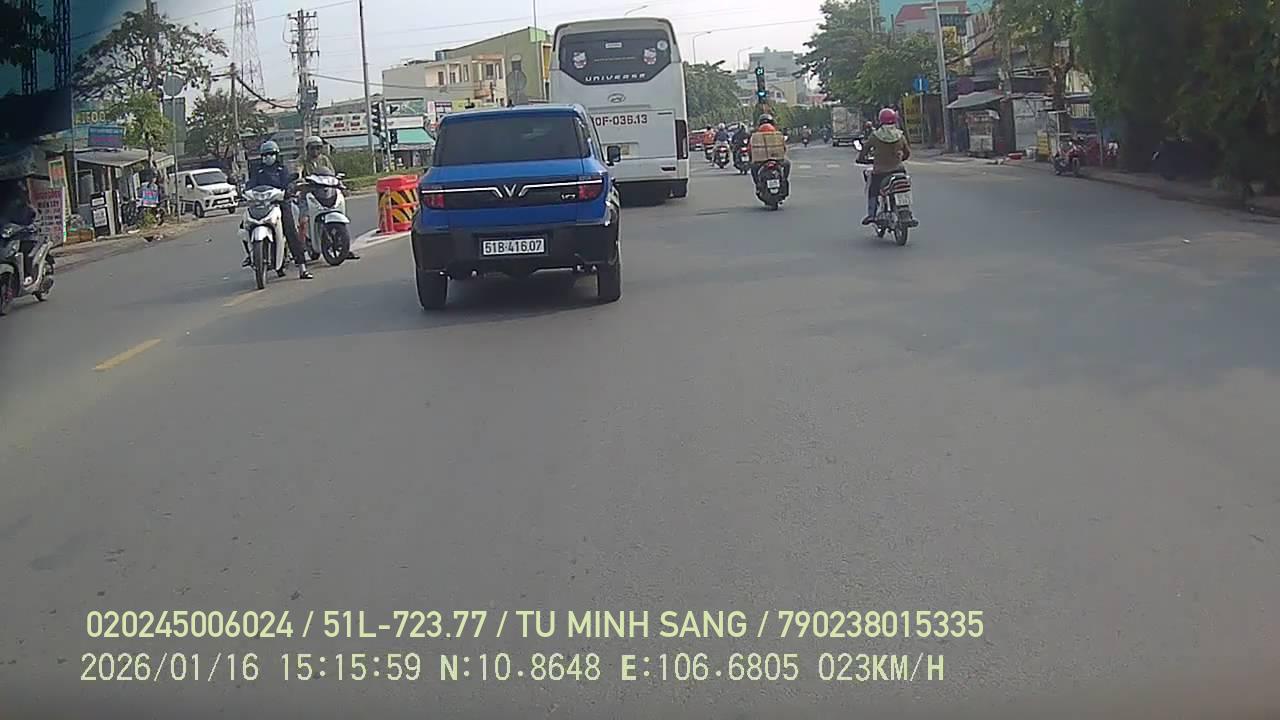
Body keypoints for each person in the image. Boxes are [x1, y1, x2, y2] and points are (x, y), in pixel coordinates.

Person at [245, 140, 312, 279]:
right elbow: (251, 184)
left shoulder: (282, 169)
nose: (268, 157)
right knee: (246, 225)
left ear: (276, 155)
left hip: (281, 203)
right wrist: (245, 191)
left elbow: (288, 183)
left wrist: (289, 190)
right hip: (262, 204)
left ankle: (302, 267)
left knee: (290, 232)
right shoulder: (258, 171)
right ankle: (250, 254)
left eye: (271, 154)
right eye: (265, 155)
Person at [301, 135, 359, 260]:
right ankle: (300, 251)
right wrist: (299, 180)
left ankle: (343, 246)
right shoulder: (302, 162)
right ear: (307, 149)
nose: (315, 151)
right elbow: (298, 174)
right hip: (308, 194)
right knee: (304, 221)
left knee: (339, 212)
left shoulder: (325, 160)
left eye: (318, 148)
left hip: (325, 192)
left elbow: (332, 174)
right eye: (312, 148)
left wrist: (341, 186)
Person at [857, 107, 911, 225]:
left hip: (880, 172)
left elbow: (865, 149)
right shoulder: (900, 135)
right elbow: (907, 152)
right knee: (904, 188)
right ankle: (906, 212)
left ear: (880, 120)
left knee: (873, 190)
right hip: (899, 170)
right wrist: (900, 159)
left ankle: (872, 214)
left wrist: (861, 159)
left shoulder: (875, 136)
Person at [747, 114, 791, 184]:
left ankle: (758, 184)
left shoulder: (755, 136)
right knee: (787, 164)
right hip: (776, 159)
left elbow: (750, 149)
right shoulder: (777, 134)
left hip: (761, 161)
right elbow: (784, 148)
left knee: (753, 168)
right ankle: (784, 180)